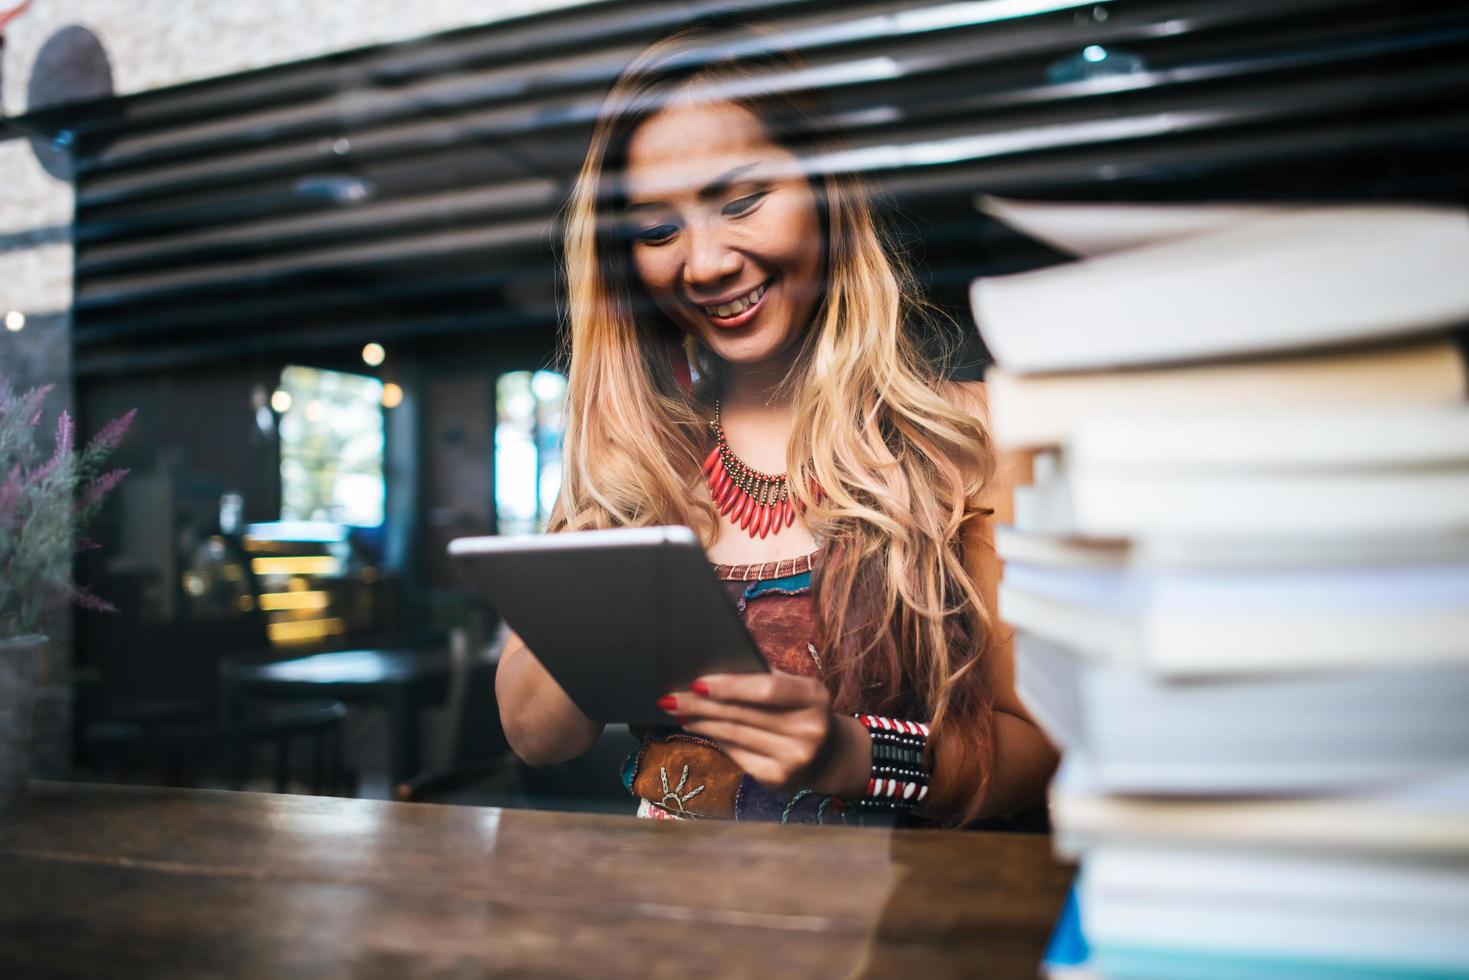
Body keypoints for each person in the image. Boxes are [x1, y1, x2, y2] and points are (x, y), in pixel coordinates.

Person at [496, 20, 1057, 826]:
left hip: (878, 937)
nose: (706, 262)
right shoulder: (642, 463)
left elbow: (1038, 753)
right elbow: (535, 737)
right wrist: (611, 518)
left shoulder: (970, 438)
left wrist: (848, 755)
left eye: (742, 202)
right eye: (656, 231)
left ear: (826, 194)